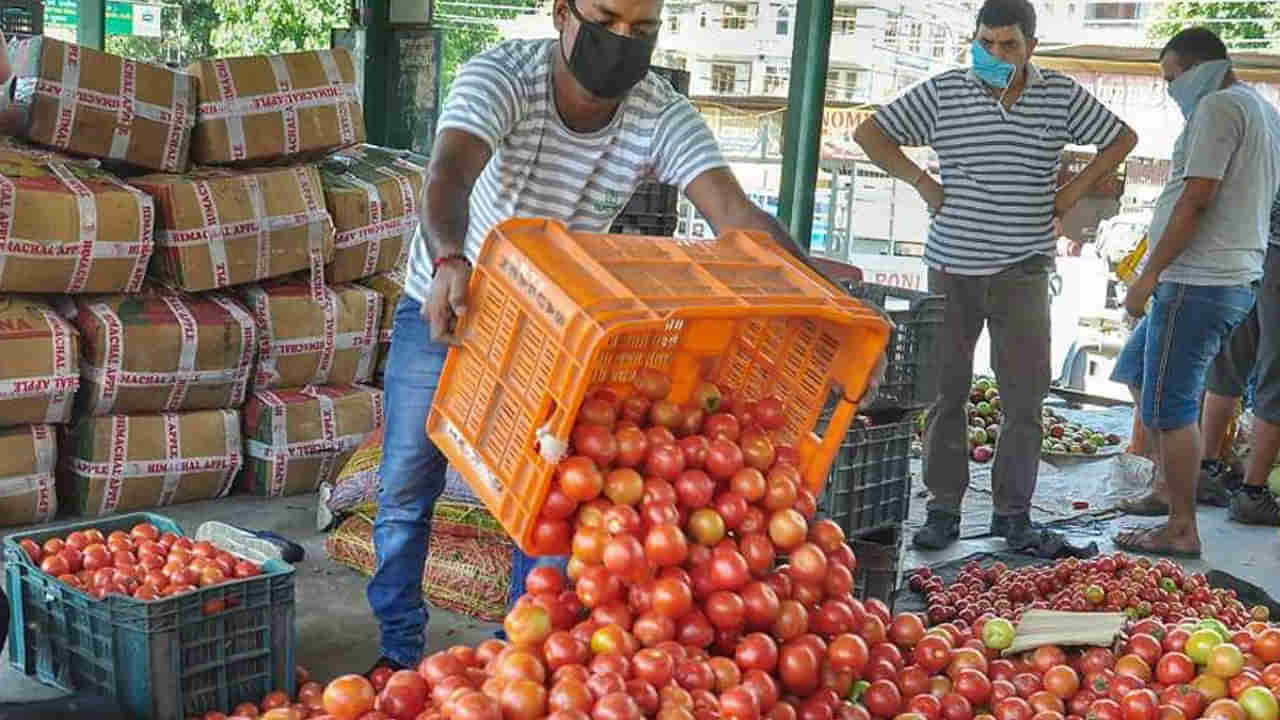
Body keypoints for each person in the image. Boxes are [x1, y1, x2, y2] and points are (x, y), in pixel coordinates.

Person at [367, 0, 870, 672]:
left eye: (643, 29)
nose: (622, 41)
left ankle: (524, 662)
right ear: (560, 12)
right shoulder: (501, 76)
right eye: (607, 17)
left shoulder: (656, 112)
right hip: (455, 304)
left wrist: (827, 302)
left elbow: (736, 216)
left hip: (560, 334)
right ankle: (396, 650)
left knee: (549, 505)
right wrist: (451, 258)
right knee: (406, 485)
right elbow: (448, 174)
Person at [854, 0, 1136, 551]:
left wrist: (1073, 191)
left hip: (1025, 266)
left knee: (1026, 399)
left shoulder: (1058, 95)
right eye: (985, 43)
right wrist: (922, 182)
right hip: (952, 265)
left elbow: (1121, 137)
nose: (995, 54)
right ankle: (942, 510)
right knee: (944, 393)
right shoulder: (944, 92)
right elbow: (871, 133)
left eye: (1008, 45)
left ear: (1031, 46)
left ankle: (1013, 513)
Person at [1111, 27, 1280, 557]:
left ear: (1196, 68)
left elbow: (1197, 199)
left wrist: (1148, 276)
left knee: (1171, 405)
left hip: (1198, 280)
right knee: (1140, 371)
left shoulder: (1218, 109)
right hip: (1222, 278)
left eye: (1170, 78)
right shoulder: (1258, 107)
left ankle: (1181, 526)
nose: (1169, 90)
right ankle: (1166, 487)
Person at [1192, 192, 1280, 525]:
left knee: (1228, 362)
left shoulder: (1266, 136)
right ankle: (1253, 493)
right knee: (1275, 373)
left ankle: (1206, 470)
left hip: (1248, 245)